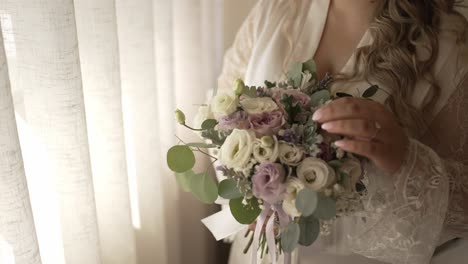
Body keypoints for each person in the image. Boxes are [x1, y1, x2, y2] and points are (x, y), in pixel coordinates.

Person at [217, 0, 468, 263]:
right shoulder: (274, 10)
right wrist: (249, 189)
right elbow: (224, 112)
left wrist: (408, 162)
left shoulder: (453, 42)